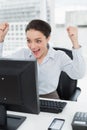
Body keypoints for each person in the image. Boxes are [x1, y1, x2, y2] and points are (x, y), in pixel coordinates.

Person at [0, 19, 86, 99]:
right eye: (29, 41)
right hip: (26, 98)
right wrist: (1, 39)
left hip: (50, 97)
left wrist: (75, 42)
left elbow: (78, 74)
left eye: (38, 41)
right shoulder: (23, 53)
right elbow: (2, 66)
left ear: (48, 38)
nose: (32, 46)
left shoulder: (59, 56)